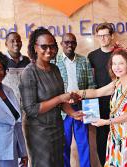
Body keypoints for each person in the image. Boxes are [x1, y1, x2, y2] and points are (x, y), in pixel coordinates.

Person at [19, 27, 83, 167]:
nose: (49, 50)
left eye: (52, 46)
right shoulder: (29, 73)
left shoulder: (55, 69)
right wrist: (60, 98)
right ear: (35, 48)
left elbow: (61, 100)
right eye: (44, 46)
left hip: (57, 127)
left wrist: (73, 113)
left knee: (59, 163)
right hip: (38, 132)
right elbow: (31, 109)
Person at [78, 49, 127, 167]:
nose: (117, 67)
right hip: (114, 136)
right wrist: (75, 94)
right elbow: (96, 93)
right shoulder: (116, 83)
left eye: (121, 63)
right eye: (114, 63)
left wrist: (106, 122)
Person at [54, 33, 95, 167]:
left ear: (76, 44)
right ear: (61, 44)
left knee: (84, 143)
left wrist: (90, 111)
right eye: (66, 42)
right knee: (64, 144)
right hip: (62, 109)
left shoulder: (84, 60)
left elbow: (92, 85)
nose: (70, 45)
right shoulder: (54, 62)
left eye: (72, 42)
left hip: (81, 108)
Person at [87, 22, 114, 166]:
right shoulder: (92, 56)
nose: (103, 38)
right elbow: (90, 82)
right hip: (99, 104)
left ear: (111, 36)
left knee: (118, 136)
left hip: (117, 103)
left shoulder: (119, 54)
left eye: (105, 35)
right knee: (101, 139)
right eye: (100, 36)